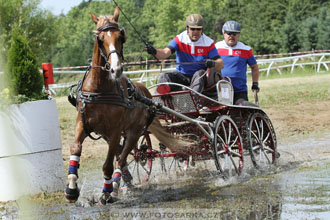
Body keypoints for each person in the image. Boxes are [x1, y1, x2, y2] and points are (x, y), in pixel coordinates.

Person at [146, 14, 224, 94]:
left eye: (198, 29)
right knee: (164, 76)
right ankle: (160, 102)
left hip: (198, 78)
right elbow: (165, 53)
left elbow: (221, 64)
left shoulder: (208, 43)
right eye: (192, 29)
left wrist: (214, 63)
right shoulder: (180, 39)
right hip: (181, 76)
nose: (196, 32)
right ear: (187, 28)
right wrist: (154, 51)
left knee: (199, 73)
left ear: (202, 29)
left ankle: (193, 99)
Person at [215, 20, 260, 105]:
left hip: (240, 90)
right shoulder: (216, 47)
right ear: (223, 33)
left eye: (234, 34)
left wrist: (255, 84)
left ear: (239, 35)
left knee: (242, 110)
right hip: (222, 89)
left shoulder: (246, 49)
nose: (231, 36)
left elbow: (254, 67)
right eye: (228, 33)